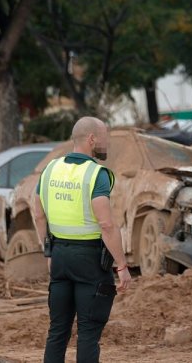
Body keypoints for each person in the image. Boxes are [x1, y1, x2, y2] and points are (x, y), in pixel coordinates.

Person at [33, 116, 130, 363]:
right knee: (88, 333)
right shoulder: (96, 174)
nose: (107, 142)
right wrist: (121, 265)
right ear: (91, 139)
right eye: (105, 137)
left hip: (60, 258)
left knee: (57, 332)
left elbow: (38, 215)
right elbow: (106, 225)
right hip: (91, 262)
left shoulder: (50, 170)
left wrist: (48, 253)